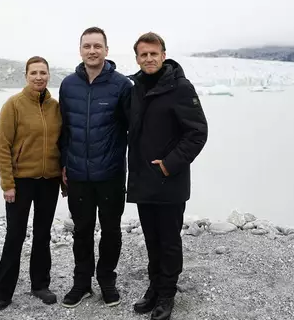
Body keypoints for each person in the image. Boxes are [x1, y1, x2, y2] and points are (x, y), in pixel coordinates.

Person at [125, 32, 208, 320]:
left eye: (153, 53)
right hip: (144, 180)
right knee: (151, 238)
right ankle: (154, 287)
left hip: (169, 179)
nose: (148, 58)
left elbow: (197, 132)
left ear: (163, 55)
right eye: (143, 54)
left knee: (169, 240)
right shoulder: (134, 88)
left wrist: (169, 164)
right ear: (137, 57)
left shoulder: (180, 87)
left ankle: (166, 295)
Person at [58, 26, 133, 308]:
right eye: (87, 46)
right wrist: (62, 164)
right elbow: (63, 130)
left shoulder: (122, 85)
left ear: (106, 50)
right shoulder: (68, 85)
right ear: (80, 50)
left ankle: (107, 279)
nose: (92, 51)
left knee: (111, 229)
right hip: (77, 173)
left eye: (97, 46)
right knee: (82, 229)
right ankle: (82, 283)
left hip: (111, 173)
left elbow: (133, 130)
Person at [0, 56, 63, 314]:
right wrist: (7, 183)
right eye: (34, 73)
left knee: (43, 234)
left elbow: (62, 144)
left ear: (49, 75)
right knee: (15, 236)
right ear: (26, 76)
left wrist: (63, 176)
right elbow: (2, 146)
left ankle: (40, 285)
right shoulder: (13, 105)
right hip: (21, 182)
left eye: (43, 72)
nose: (39, 77)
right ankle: (2, 294)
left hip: (48, 181)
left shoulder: (55, 107)